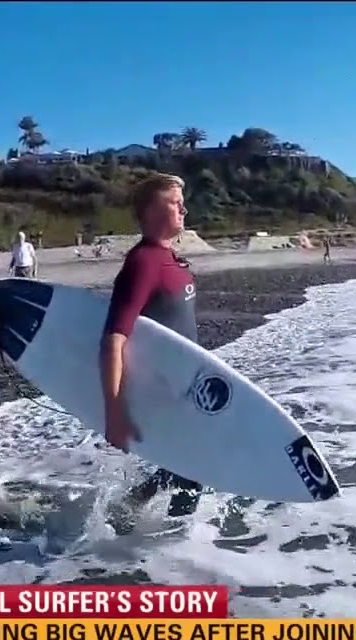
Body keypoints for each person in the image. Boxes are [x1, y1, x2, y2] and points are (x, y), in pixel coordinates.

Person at [100, 174, 204, 523]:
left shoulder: (169, 258)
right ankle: (170, 546)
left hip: (187, 389)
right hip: (163, 390)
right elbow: (114, 338)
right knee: (195, 470)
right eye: (175, 202)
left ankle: (128, 512)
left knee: (190, 468)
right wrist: (114, 414)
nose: (183, 208)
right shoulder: (143, 262)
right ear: (151, 209)